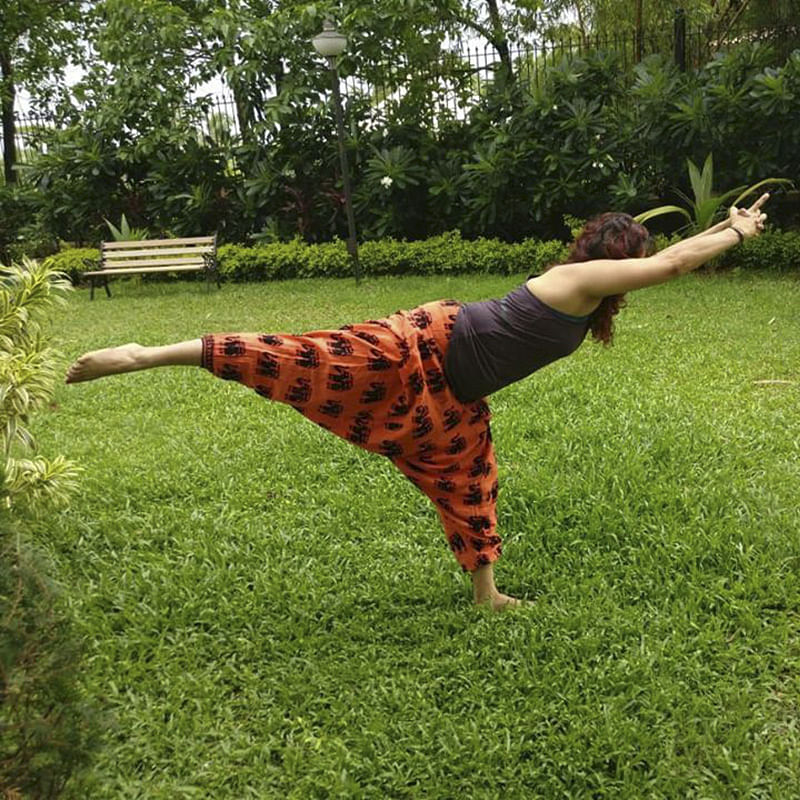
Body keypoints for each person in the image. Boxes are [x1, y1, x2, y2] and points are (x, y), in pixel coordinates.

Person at [65, 196, 769, 611]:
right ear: (615, 256)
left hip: (453, 397)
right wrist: (734, 234)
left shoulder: (593, 291)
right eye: (633, 259)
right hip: (416, 347)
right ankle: (143, 355)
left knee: (470, 482)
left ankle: (487, 595)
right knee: (294, 357)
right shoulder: (579, 279)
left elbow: (671, 257)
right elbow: (672, 264)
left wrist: (731, 223)